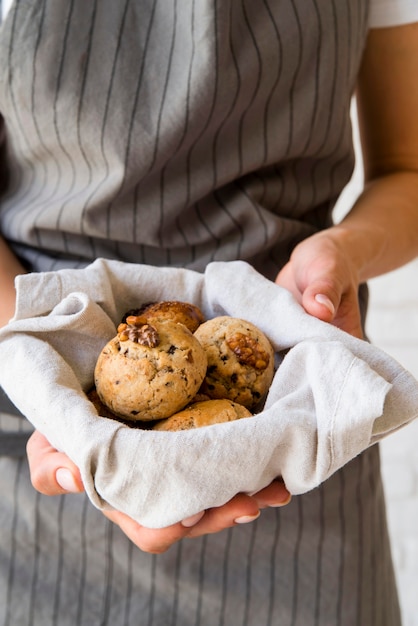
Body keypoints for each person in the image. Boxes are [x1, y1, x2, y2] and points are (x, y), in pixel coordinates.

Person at [0, 1, 417, 624]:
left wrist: (340, 254)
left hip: (300, 446)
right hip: (51, 448)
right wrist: (47, 365)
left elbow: (405, 170)